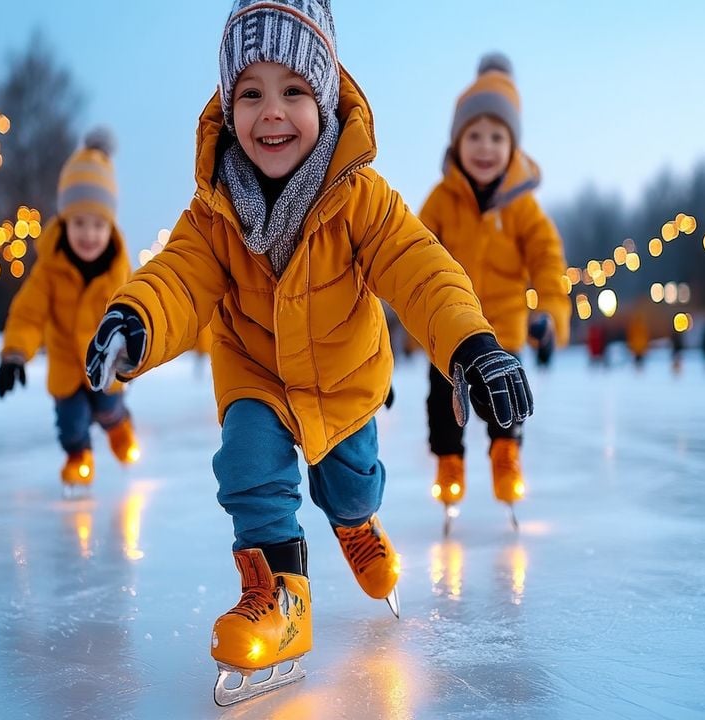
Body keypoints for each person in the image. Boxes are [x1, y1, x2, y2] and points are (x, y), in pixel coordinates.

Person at [84, 0, 532, 705]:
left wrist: (475, 347)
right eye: (251, 93)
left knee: (350, 484)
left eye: (294, 91)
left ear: (324, 98)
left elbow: (423, 271)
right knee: (248, 467)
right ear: (228, 108)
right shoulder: (213, 211)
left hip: (346, 381)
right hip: (256, 374)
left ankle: (355, 524)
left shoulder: (360, 198)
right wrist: (133, 320)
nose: (272, 113)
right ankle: (279, 599)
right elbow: (177, 277)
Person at [418, 53, 570, 525]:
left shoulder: (523, 209)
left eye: (497, 137)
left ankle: (506, 452)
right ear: (458, 142)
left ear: (514, 146)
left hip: (503, 331)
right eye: (475, 136)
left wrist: (548, 310)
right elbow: (412, 251)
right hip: (447, 330)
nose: (485, 148)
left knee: (502, 401)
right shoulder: (442, 201)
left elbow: (547, 260)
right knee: (441, 404)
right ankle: (449, 462)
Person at [0, 128, 139, 493]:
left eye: (97, 225)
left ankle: (120, 426)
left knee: (108, 408)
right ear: (63, 222)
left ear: (111, 226)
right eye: (79, 223)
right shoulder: (49, 269)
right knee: (70, 424)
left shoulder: (119, 271)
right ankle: (79, 458)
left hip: (106, 363)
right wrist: (14, 354)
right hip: (65, 366)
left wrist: (137, 350)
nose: (88, 234)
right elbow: (27, 314)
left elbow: (139, 308)